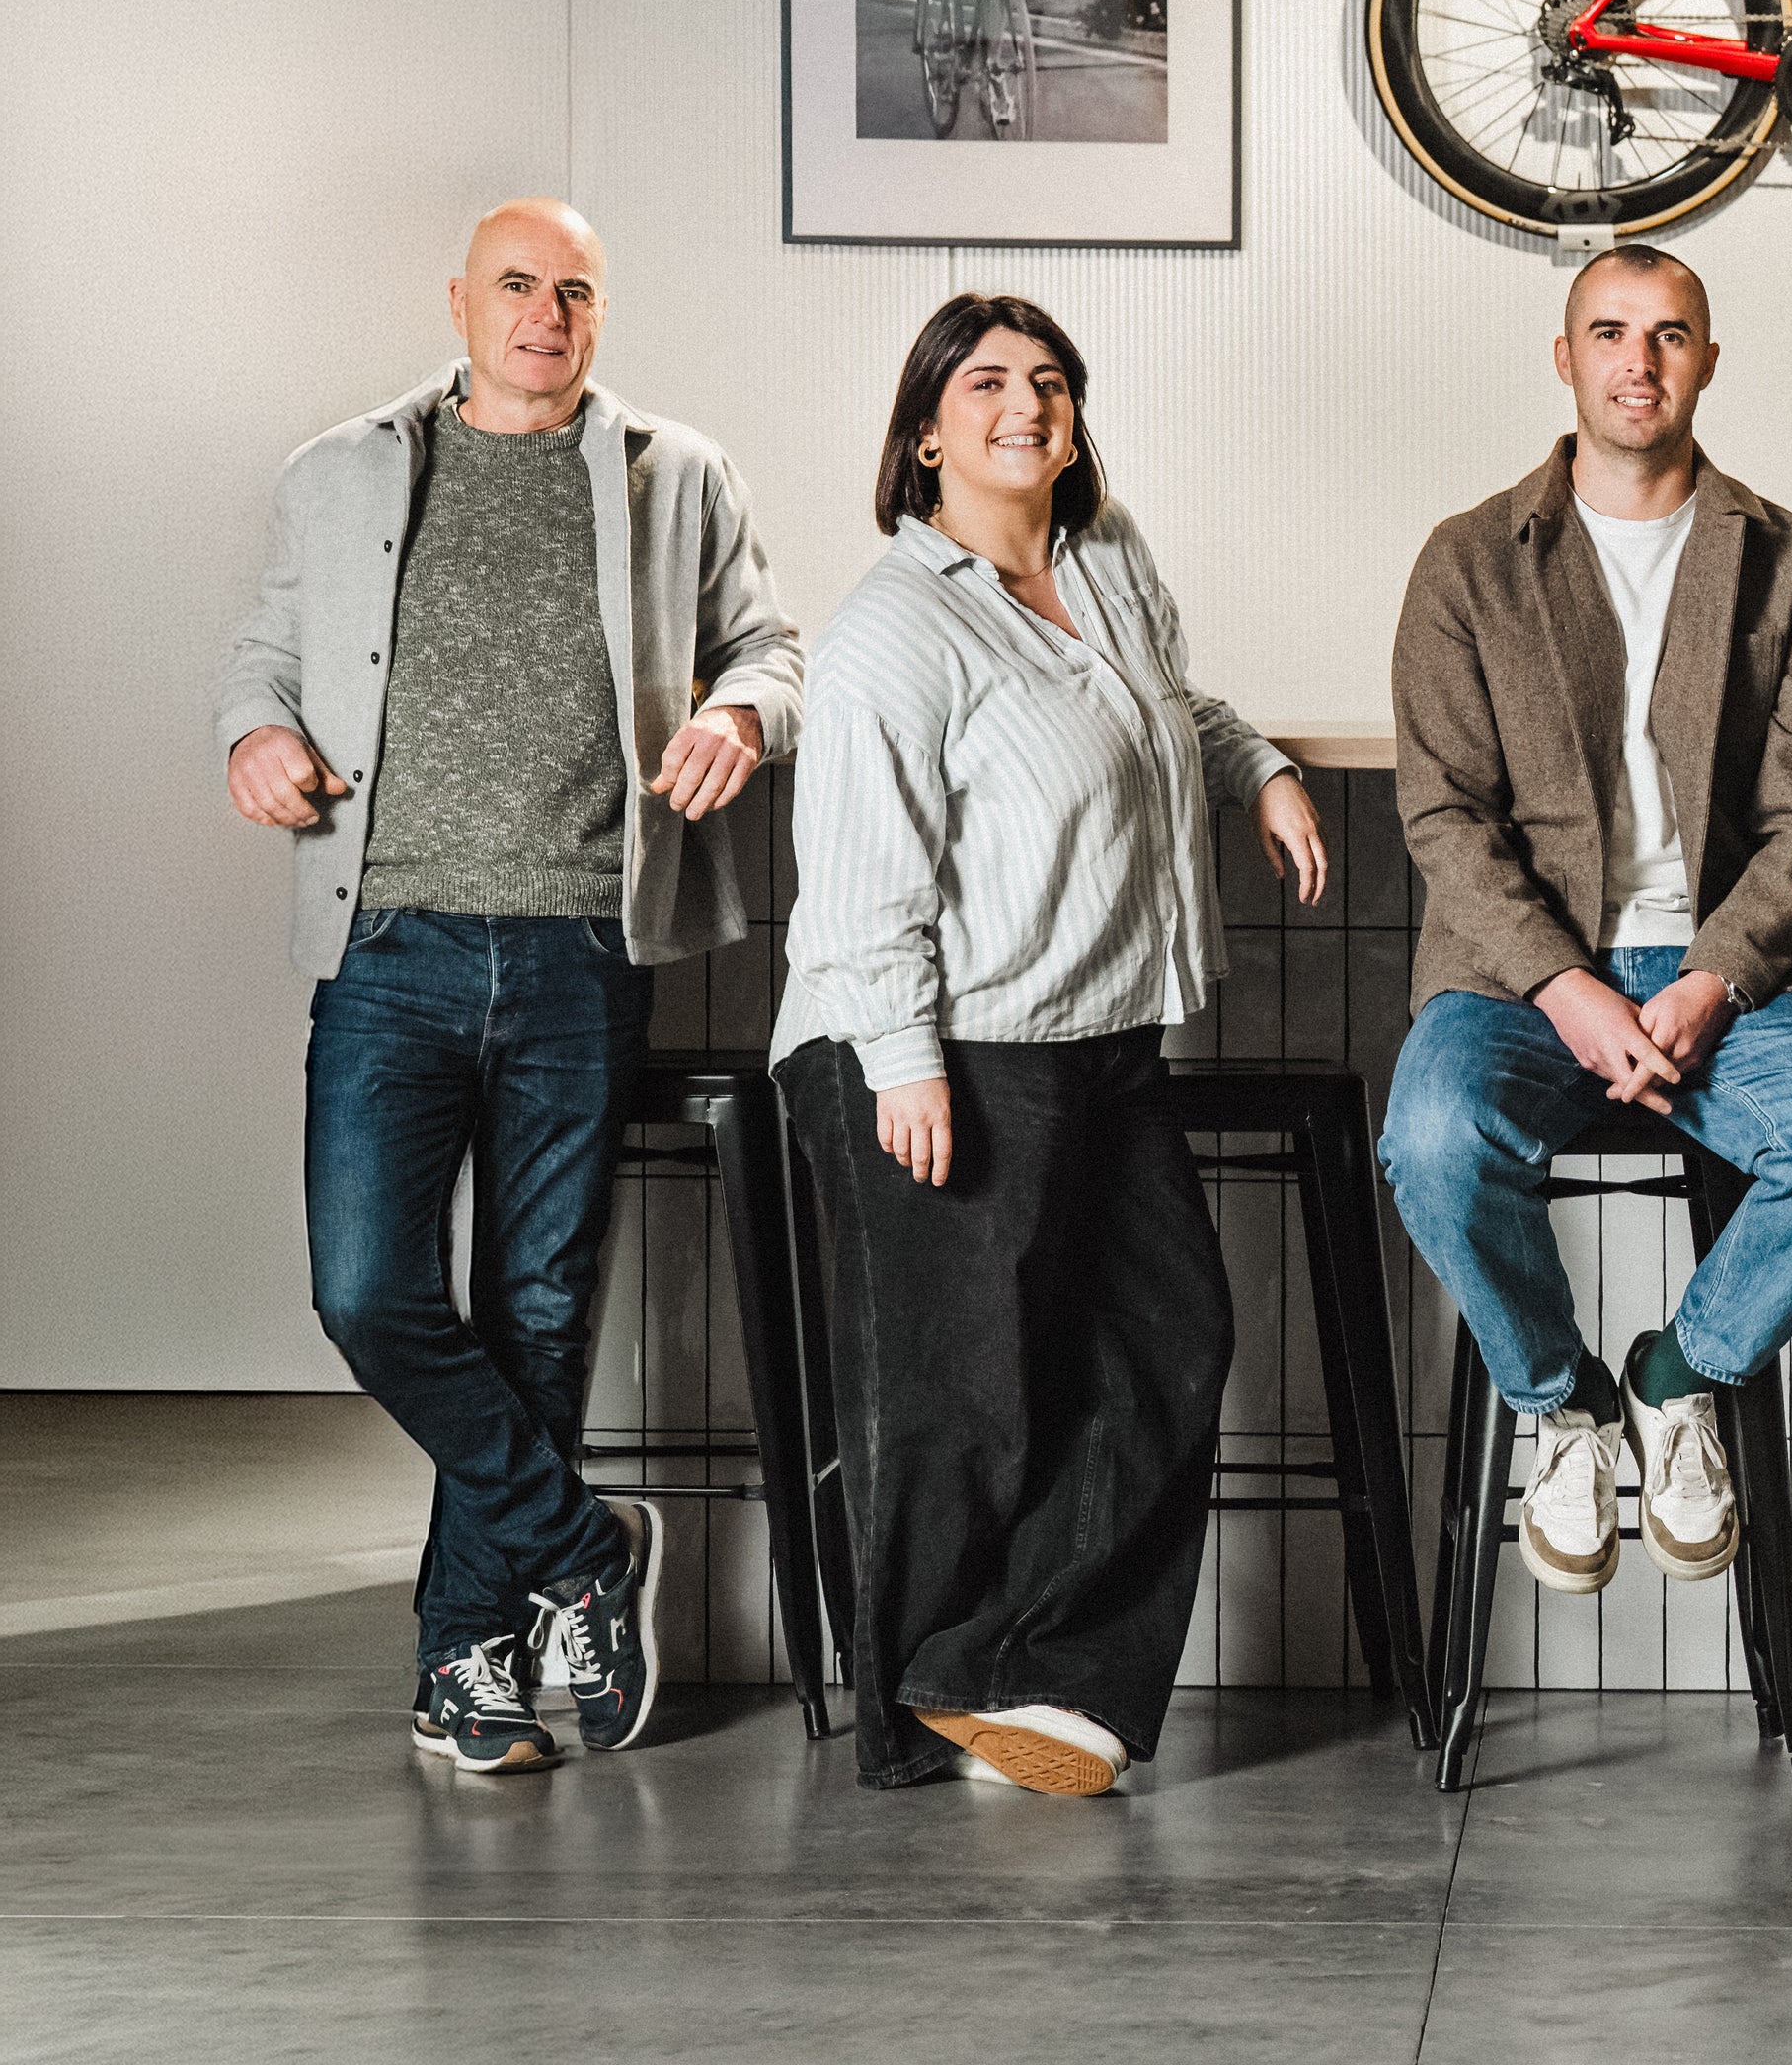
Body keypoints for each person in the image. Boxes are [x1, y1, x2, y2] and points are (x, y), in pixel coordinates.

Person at [216, 199, 803, 1774]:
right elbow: (266, 659)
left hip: (578, 945)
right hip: (389, 945)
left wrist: (742, 718)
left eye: (577, 292)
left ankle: (464, 1662)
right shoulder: (341, 471)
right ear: (461, 302)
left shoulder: (677, 474)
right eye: (519, 286)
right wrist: (255, 734)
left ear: (601, 314)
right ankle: (583, 1548)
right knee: (368, 1293)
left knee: (538, 1309)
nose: (546, 315)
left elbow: (771, 646)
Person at [773, 293, 1328, 1798]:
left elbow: (1166, 706)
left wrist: (1258, 769)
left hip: (1099, 1029)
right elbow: (862, 868)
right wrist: (902, 1060)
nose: (1025, 404)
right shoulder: (894, 625)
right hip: (933, 1038)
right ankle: (918, 1708)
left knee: (1170, 1345)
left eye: (1050, 381)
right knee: (958, 1397)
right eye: (986, 383)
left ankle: (1036, 1680)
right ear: (926, 432)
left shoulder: (1106, 555)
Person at [1382, 245, 1792, 1611]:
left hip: (1726, 976)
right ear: (1565, 360)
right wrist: (1565, 987)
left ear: (1709, 361)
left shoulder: (1788, 559)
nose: (1640, 360)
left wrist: (1716, 977)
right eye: (1610, 332)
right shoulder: (1467, 560)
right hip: (1518, 981)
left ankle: (1678, 1377)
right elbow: (1444, 816)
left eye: (1670, 333)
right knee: (1433, 1140)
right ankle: (1561, 1405)